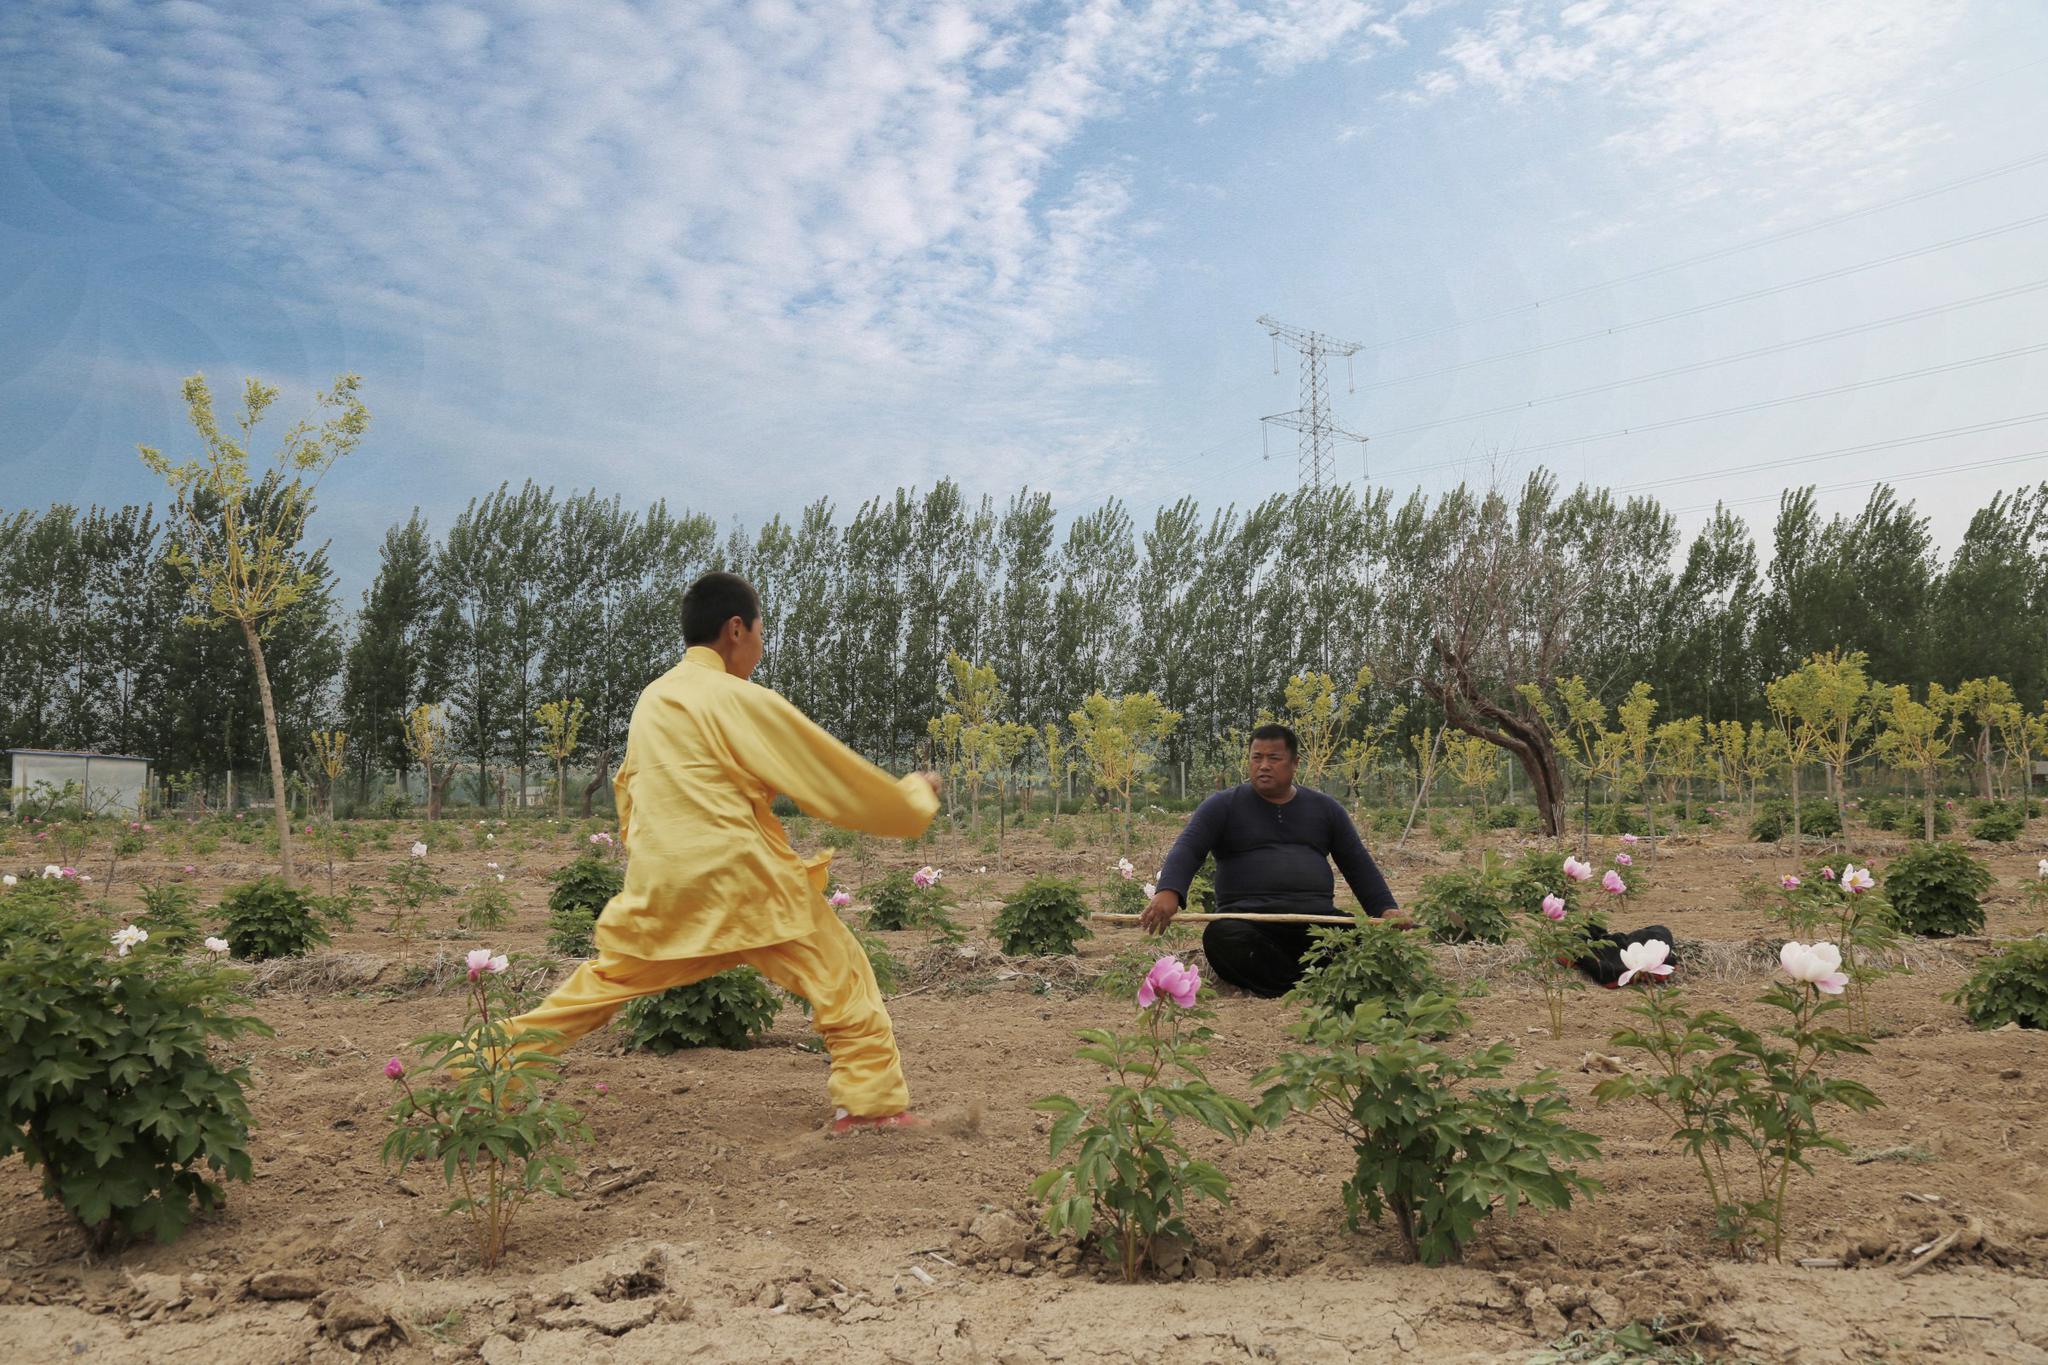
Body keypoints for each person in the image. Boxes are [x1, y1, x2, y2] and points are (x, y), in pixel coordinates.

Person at [501, 571, 942, 1134]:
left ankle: (482, 1069)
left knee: (601, 984)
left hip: (665, 882)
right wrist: (911, 800)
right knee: (842, 974)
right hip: (743, 877)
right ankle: (870, 1104)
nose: (760, 645)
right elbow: (832, 780)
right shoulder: (738, 699)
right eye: (761, 631)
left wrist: (655, 873)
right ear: (737, 629)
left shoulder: (652, 700)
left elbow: (630, 792)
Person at [1140, 723, 1405, 997]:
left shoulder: (1326, 809)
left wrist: (1385, 909)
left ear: (1294, 763)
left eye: (1274, 758)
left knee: (1364, 939)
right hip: (1250, 924)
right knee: (1222, 937)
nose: (1263, 765)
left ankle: (1299, 981)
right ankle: (1299, 987)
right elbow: (1188, 848)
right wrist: (1169, 892)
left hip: (1318, 924)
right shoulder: (1222, 806)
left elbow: (1357, 862)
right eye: (1257, 757)